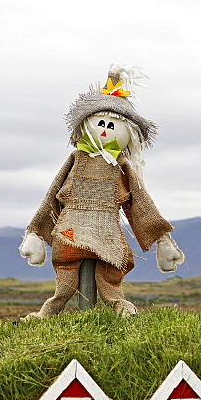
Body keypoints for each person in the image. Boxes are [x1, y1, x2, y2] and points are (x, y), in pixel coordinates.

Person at [19, 66, 184, 318]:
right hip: (70, 231)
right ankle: (50, 310)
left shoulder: (121, 166)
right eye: (100, 123)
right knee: (65, 280)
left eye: (112, 125)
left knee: (110, 278)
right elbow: (51, 197)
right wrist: (35, 233)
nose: (105, 129)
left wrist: (162, 239)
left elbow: (140, 203)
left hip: (107, 233)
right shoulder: (76, 158)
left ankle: (119, 307)